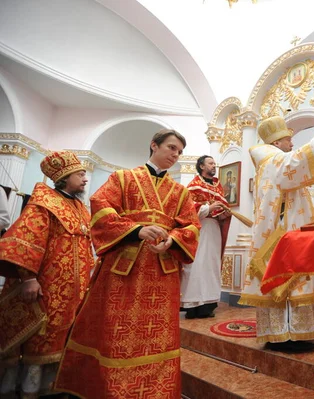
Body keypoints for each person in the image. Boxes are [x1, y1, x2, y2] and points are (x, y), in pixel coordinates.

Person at [55, 129, 200, 398]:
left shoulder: (180, 192)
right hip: (124, 271)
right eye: (171, 147)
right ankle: (111, 390)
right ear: (153, 145)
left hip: (161, 272)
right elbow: (101, 209)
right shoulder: (122, 178)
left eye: (179, 152)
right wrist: (137, 230)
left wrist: (173, 239)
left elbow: (192, 225)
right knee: (114, 334)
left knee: (157, 338)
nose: (175, 155)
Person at [238, 114, 314, 353]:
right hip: (280, 234)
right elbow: (295, 162)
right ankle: (285, 336)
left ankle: (295, 333)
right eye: (287, 140)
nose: (291, 143)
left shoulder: (272, 160)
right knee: (285, 281)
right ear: (276, 143)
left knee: (294, 282)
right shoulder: (271, 159)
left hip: (286, 231)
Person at [0, 151, 94, 397]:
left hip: (74, 289)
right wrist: (29, 278)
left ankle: (52, 387)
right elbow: (26, 241)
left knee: (63, 336)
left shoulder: (80, 208)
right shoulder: (44, 203)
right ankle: (27, 389)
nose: (85, 179)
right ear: (64, 177)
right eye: (80, 174)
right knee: (39, 337)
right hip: (48, 285)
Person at [181, 155, 231, 319]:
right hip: (199, 230)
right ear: (202, 166)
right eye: (210, 163)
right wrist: (208, 208)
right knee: (197, 264)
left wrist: (224, 214)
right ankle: (193, 305)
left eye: (214, 163)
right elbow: (187, 210)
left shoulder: (218, 186)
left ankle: (208, 305)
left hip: (214, 229)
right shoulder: (194, 185)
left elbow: (221, 211)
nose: (213, 165)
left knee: (211, 265)